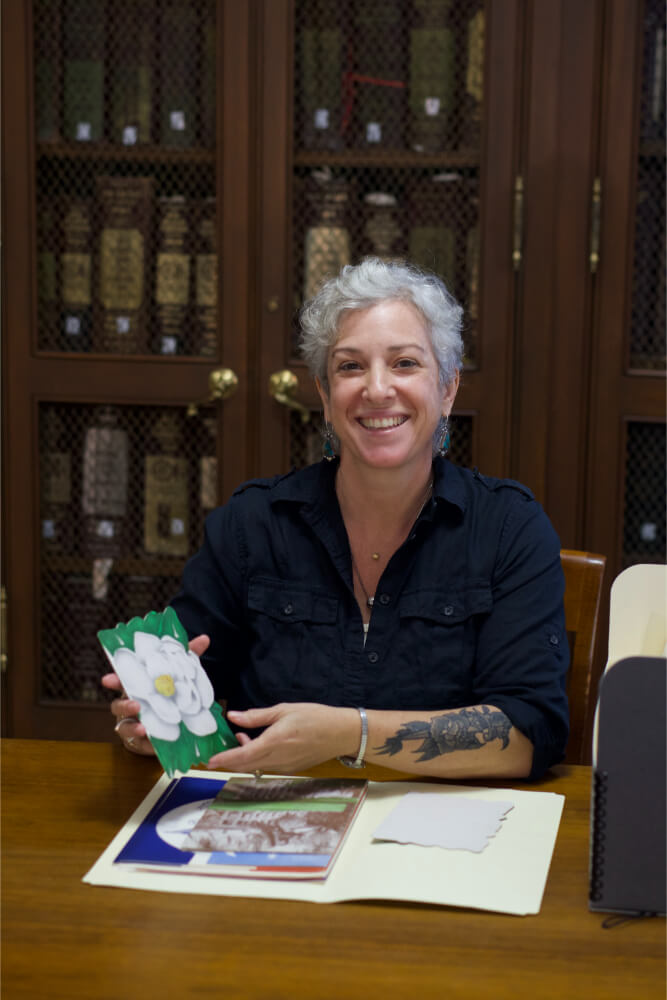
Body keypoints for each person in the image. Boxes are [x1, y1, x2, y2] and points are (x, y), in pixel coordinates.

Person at [104, 257, 569, 780]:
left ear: (448, 389)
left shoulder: (509, 528)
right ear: (325, 396)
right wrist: (153, 722)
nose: (376, 389)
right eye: (350, 367)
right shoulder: (251, 524)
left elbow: (530, 733)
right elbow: (194, 696)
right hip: (272, 830)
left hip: (441, 843)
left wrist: (351, 733)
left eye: (405, 364)